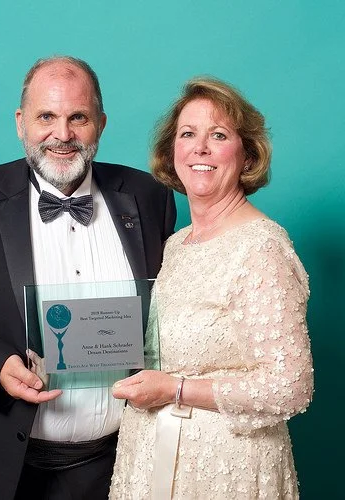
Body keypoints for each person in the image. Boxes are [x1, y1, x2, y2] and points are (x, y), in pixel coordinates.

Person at [0, 56, 176, 500]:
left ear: (101, 124)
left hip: (119, 463)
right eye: (46, 116)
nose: (62, 134)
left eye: (78, 117)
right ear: (20, 122)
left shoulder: (149, 196)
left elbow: (169, 306)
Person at [110, 77, 313, 499]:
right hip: (151, 456)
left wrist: (175, 390)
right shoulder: (177, 244)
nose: (200, 148)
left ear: (247, 154)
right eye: (188, 134)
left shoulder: (261, 248)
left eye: (218, 135)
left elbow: (290, 387)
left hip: (225, 469)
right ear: (172, 152)